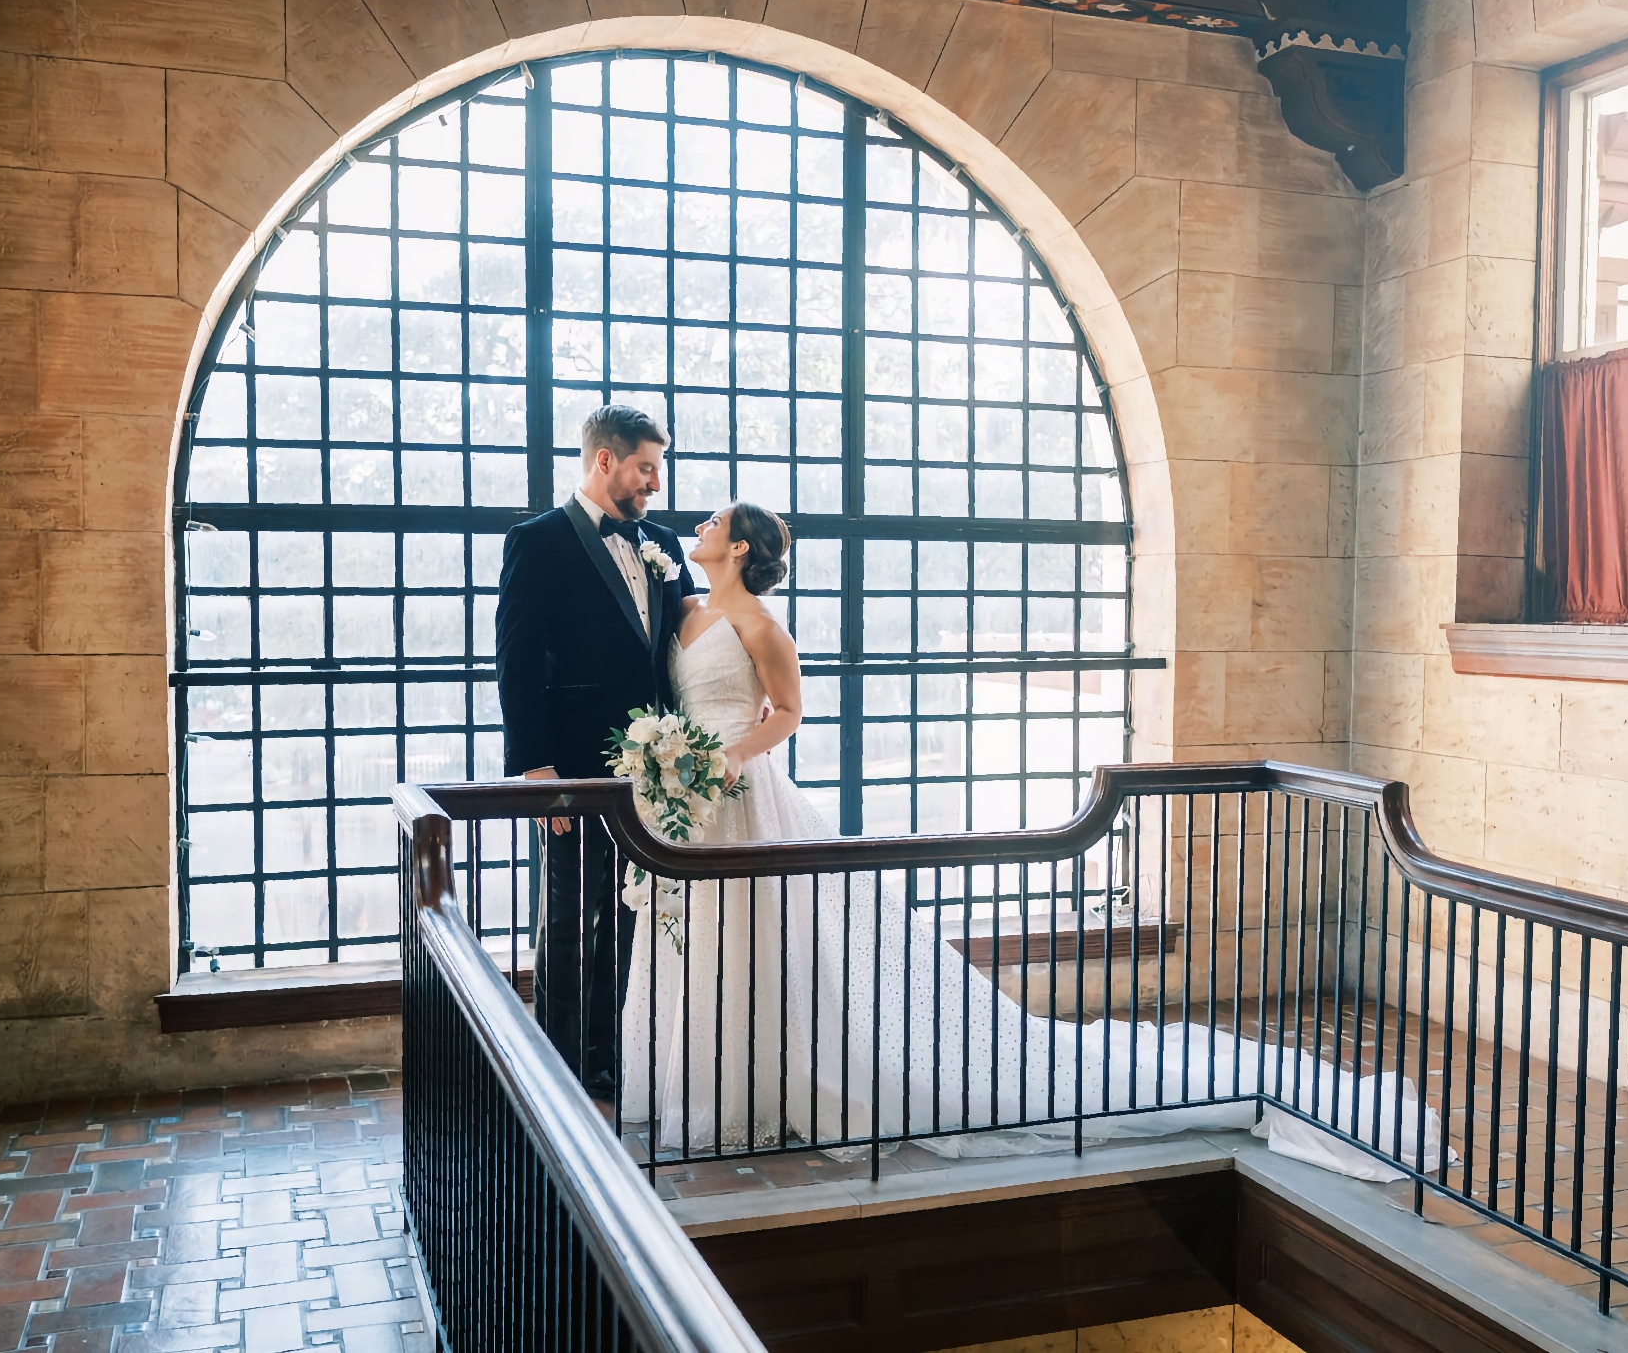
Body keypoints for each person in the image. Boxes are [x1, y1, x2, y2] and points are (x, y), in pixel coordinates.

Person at [619, 502, 1447, 1183]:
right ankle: (713, 1083)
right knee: (709, 939)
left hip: (743, 794)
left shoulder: (764, 628)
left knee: (769, 937)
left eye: (713, 522)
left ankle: (773, 1087)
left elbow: (790, 716)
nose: (697, 528)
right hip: (688, 802)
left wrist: (724, 760)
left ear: (737, 546)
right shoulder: (685, 611)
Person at [494, 405, 697, 1099]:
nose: (655, 484)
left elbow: (689, 644)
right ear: (604, 461)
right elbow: (517, 660)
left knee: (633, 911)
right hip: (573, 767)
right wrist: (535, 768)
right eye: (646, 468)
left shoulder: (663, 543)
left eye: (658, 470)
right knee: (568, 914)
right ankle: (557, 1066)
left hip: (656, 769)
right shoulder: (538, 540)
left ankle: (617, 1054)